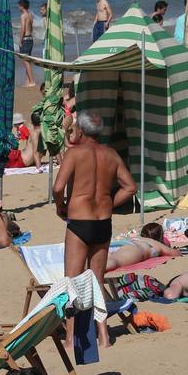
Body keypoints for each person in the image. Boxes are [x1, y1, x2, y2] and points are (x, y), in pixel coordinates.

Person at [54, 111, 137, 286]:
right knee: (97, 282)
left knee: (71, 282)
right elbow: (130, 188)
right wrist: (108, 203)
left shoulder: (74, 153)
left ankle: (71, 315)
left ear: (80, 131)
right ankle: (97, 314)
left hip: (80, 222)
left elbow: (58, 187)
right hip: (103, 221)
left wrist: (60, 206)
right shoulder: (111, 154)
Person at [105, 222, 178, 271]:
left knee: (105, 259)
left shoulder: (138, 238)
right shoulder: (156, 244)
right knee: (114, 261)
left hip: (119, 244)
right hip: (134, 249)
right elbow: (175, 253)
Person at [17, 0, 36, 87]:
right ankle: (28, 81)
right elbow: (31, 28)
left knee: (26, 61)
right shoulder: (30, 15)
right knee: (27, 60)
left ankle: (31, 81)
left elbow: (23, 29)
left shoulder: (23, 15)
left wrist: (20, 40)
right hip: (30, 39)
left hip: (25, 39)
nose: (18, 8)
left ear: (22, 6)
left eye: (19, 6)